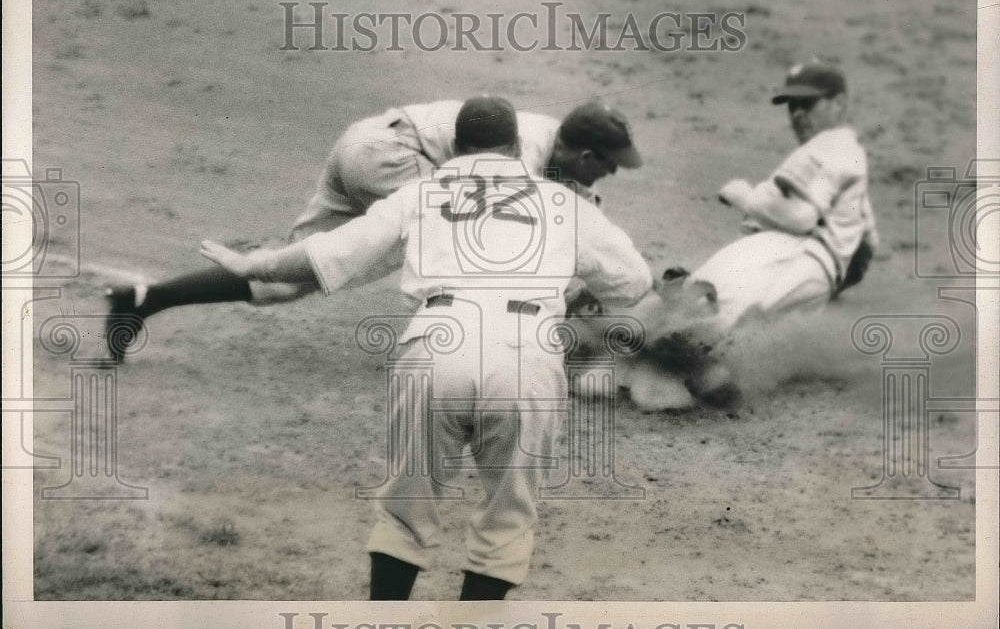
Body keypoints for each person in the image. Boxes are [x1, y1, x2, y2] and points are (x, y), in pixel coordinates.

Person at [199, 97, 653, 599]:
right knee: (506, 522)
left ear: (455, 148)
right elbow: (634, 282)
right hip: (527, 354)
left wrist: (256, 265)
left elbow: (329, 252)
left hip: (436, 343)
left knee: (404, 513)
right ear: (520, 146)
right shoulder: (564, 203)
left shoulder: (421, 190)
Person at [104, 96, 642, 360]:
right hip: (393, 154)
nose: (611, 175)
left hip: (363, 143)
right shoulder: (518, 155)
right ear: (588, 153)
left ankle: (144, 300)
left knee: (288, 279)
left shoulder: (555, 159)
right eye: (610, 164)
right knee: (437, 246)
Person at [567, 60, 879, 410]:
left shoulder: (832, 148)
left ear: (839, 104)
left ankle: (676, 375)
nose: (798, 114)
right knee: (691, 306)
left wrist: (747, 197)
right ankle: (641, 373)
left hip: (795, 253)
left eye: (809, 104)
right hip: (790, 259)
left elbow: (802, 217)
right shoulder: (838, 152)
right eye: (793, 105)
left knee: (696, 314)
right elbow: (864, 247)